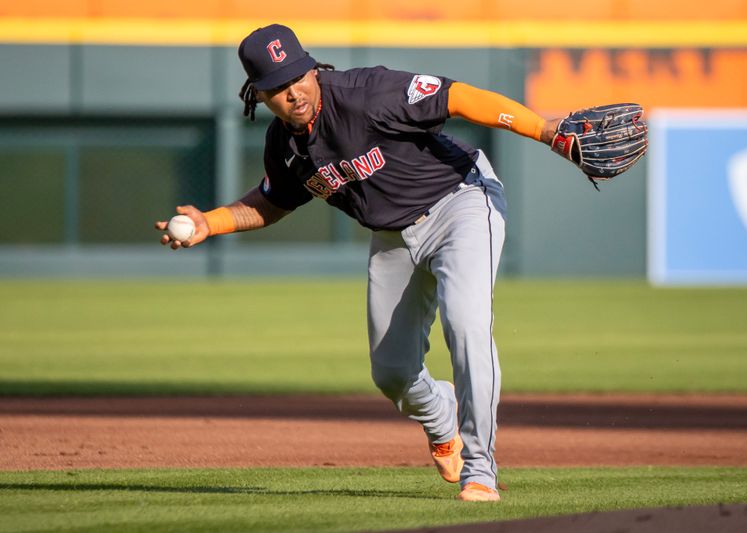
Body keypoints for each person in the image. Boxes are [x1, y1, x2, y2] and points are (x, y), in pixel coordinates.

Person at [156, 24, 561, 502]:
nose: (294, 93)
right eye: (278, 88)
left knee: (467, 325)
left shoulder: (369, 92)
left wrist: (546, 131)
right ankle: (440, 418)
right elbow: (270, 203)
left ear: (311, 68)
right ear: (259, 94)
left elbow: (461, 97)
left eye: (297, 77)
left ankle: (480, 470)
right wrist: (211, 223)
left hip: (461, 202)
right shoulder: (283, 146)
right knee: (391, 372)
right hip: (392, 234)